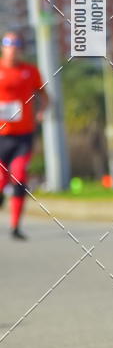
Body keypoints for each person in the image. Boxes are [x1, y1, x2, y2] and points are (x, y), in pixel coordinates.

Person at [0, 30, 48, 239]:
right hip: (1, 135)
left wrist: (41, 110)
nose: (13, 52)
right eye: (10, 47)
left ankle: (15, 226)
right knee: (1, 179)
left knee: (19, 176)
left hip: (23, 135)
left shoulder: (30, 70)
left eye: (17, 48)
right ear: (3, 48)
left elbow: (44, 94)